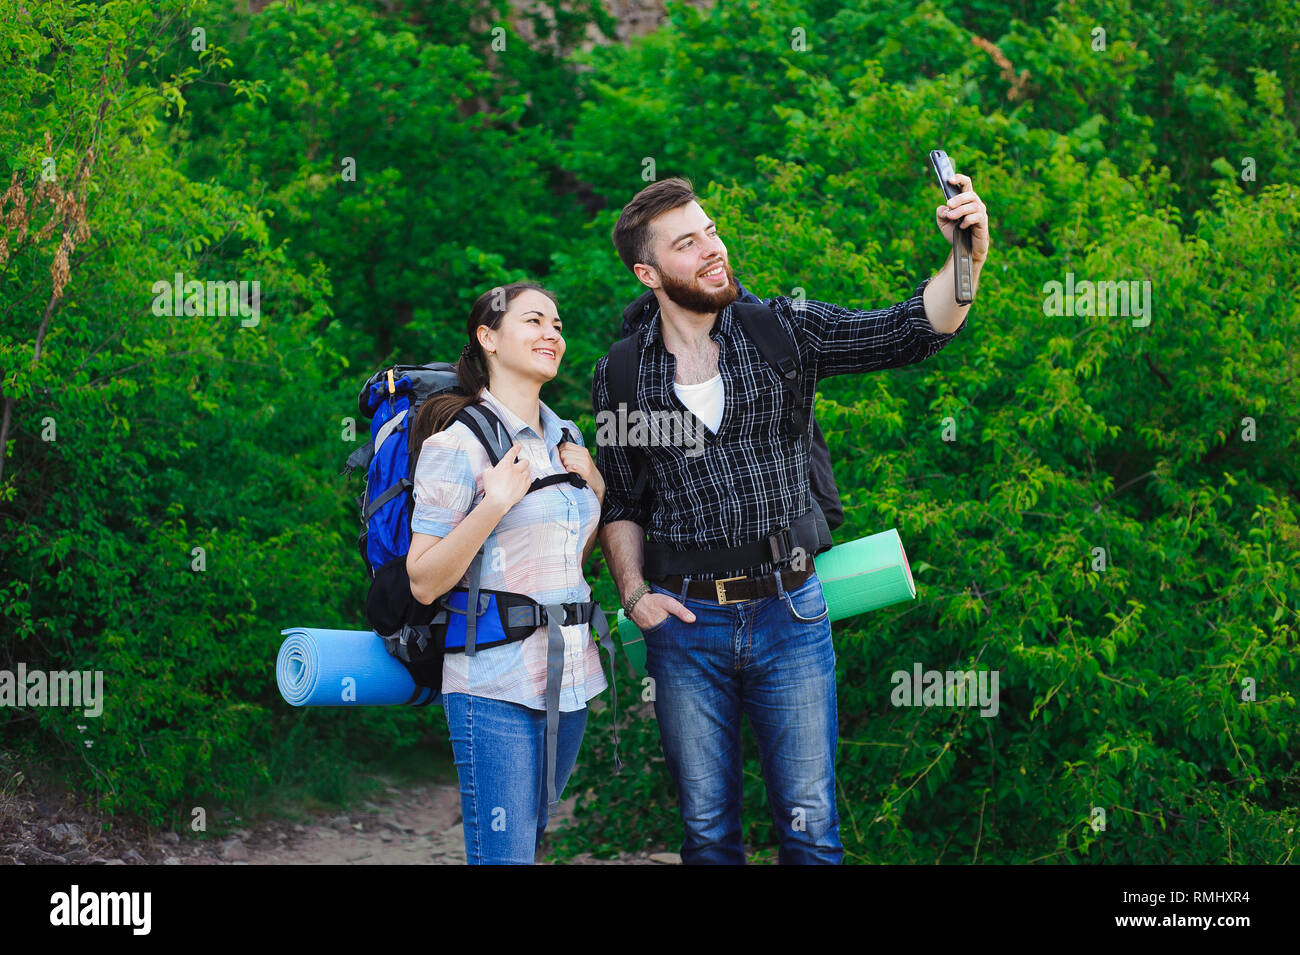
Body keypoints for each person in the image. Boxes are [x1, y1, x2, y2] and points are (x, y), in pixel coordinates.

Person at [593, 175, 989, 864]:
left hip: (793, 614)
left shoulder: (785, 329)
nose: (713, 249)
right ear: (647, 272)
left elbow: (913, 329)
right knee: (709, 837)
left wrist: (965, 258)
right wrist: (633, 595)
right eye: (687, 243)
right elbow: (623, 501)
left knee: (810, 834)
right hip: (686, 629)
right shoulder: (623, 373)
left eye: (711, 231)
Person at [407, 281, 608, 865]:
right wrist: (492, 504)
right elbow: (424, 579)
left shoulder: (567, 437)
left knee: (525, 846)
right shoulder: (457, 444)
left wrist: (594, 487)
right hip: (492, 684)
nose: (552, 334)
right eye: (534, 321)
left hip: (571, 680)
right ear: (488, 338)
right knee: (504, 857)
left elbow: (568, 564)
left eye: (559, 324)